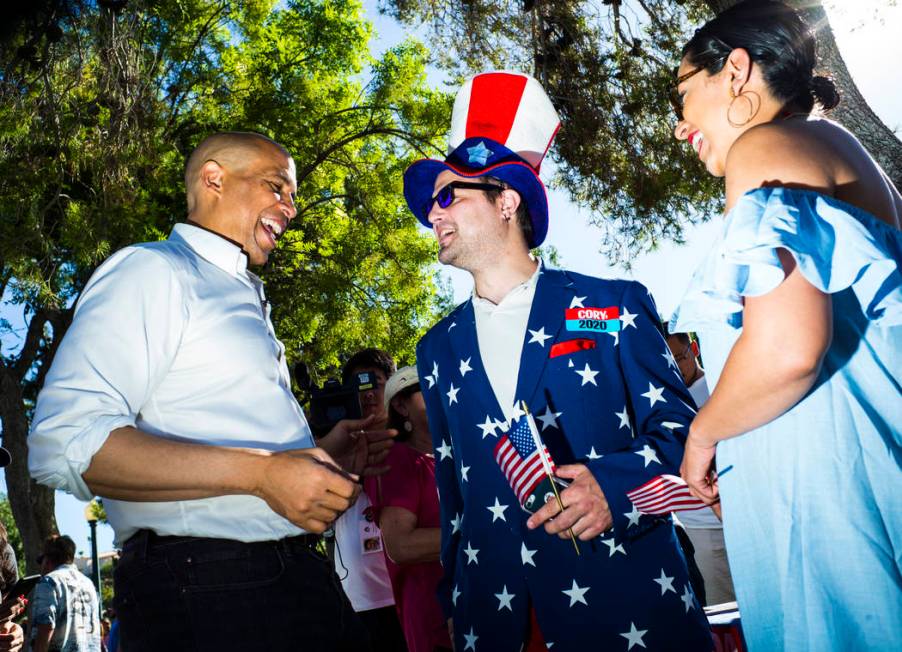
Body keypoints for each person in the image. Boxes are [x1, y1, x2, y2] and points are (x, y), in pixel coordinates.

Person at [28, 132, 393, 652]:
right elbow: (63, 444)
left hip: (289, 577)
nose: (291, 208)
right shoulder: (154, 270)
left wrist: (327, 456)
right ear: (214, 178)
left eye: (292, 197)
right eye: (277, 187)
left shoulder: (241, 291)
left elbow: (241, 455)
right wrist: (264, 475)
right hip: (208, 588)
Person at [405, 71, 712, 651]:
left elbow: (684, 434)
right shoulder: (435, 350)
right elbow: (453, 492)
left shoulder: (611, 305)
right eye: (429, 203)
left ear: (507, 201)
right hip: (494, 622)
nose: (432, 215)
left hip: (628, 604)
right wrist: (456, 600)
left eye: (449, 195)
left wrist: (615, 492)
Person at [669, 2, 901, 650]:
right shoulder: (833, 150)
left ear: (736, 71)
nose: (680, 124)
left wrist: (703, 434)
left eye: (682, 94)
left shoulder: (764, 145)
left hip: (833, 508)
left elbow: (789, 346)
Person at [365, 366, 451, 652]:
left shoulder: (458, 458)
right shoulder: (398, 458)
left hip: (483, 605)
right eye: (426, 388)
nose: (438, 393)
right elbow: (401, 545)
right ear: (401, 406)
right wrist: (483, 535)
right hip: (435, 617)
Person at [331, 349, 407, 652]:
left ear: (391, 385)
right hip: (358, 601)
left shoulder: (417, 439)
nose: (367, 394)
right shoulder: (333, 446)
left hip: (411, 595)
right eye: (356, 385)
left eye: (373, 382)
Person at [664, 328, 735, 606]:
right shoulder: (664, 401)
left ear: (693, 350)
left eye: (679, 358)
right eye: (667, 361)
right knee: (722, 611)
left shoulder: (722, 384)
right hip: (699, 529)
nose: (675, 369)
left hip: (740, 516)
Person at [29, 535, 100, 652]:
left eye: (41, 561)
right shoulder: (89, 584)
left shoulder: (49, 581)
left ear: (47, 560)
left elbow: (45, 626)